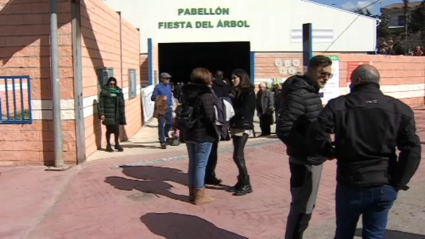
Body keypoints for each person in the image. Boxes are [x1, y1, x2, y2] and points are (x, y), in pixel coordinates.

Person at [308, 64, 422, 239]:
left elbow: (316, 133)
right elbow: (412, 149)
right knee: (374, 234)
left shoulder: (338, 105)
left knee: (344, 233)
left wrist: (328, 151)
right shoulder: (400, 109)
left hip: (350, 182)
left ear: (358, 81)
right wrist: (399, 181)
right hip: (384, 182)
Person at [276, 55, 333, 239]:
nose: (325, 78)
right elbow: (284, 129)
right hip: (305, 162)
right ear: (311, 70)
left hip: (310, 159)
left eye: (329, 75)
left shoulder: (310, 92)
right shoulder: (300, 95)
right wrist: (312, 148)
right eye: (322, 73)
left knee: (305, 206)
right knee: (303, 208)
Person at [182, 68, 219, 205]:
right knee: (201, 164)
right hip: (203, 133)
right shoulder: (205, 94)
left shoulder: (186, 93)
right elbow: (210, 116)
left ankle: (192, 193)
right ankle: (199, 194)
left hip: (189, 132)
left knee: (193, 163)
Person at [226, 69, 256, 196]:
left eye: (235, 78)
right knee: (237, 155)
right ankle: (241, 181)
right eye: (232, 78)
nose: (232, 81)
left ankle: (246, 183)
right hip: (236, 125)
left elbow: (245, 110)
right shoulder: (237, 92)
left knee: (238, 155)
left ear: (241, 78)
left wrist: (230, 110)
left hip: (243, 125)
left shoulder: (249, 93)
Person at [204, 70, 232, 186]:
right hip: (217, 122)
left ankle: (202, 178)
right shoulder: (225, 86)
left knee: (201, 156)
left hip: (206, 126)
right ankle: (209, 176)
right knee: (212, 152)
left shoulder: (208, 91)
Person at [98, 77, 126, 152]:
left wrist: (122, 112)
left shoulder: (118, 91)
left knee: (116, 130)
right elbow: (101, 104)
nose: (112, 85)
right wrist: (102, 114)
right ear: (108, 83)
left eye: (113, 84)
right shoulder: (104, 92)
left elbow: (122, 102)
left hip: (116, 113)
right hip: (108, 114)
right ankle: (108, 145)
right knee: (109, 130)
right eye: (110, 84)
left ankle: (117, 144)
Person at [151, 72, 174, 149]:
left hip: (169, 107)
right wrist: (161, 97)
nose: (168, 80)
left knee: (171, 123)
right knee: (161, 124)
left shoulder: (169, 86)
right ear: (162, 79)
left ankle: (164, 134)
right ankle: (162, 141)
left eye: (169, 78)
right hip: (161, 108)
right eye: (167, 78)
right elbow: (153, 97)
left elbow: (171, 96)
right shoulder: (158, 87)